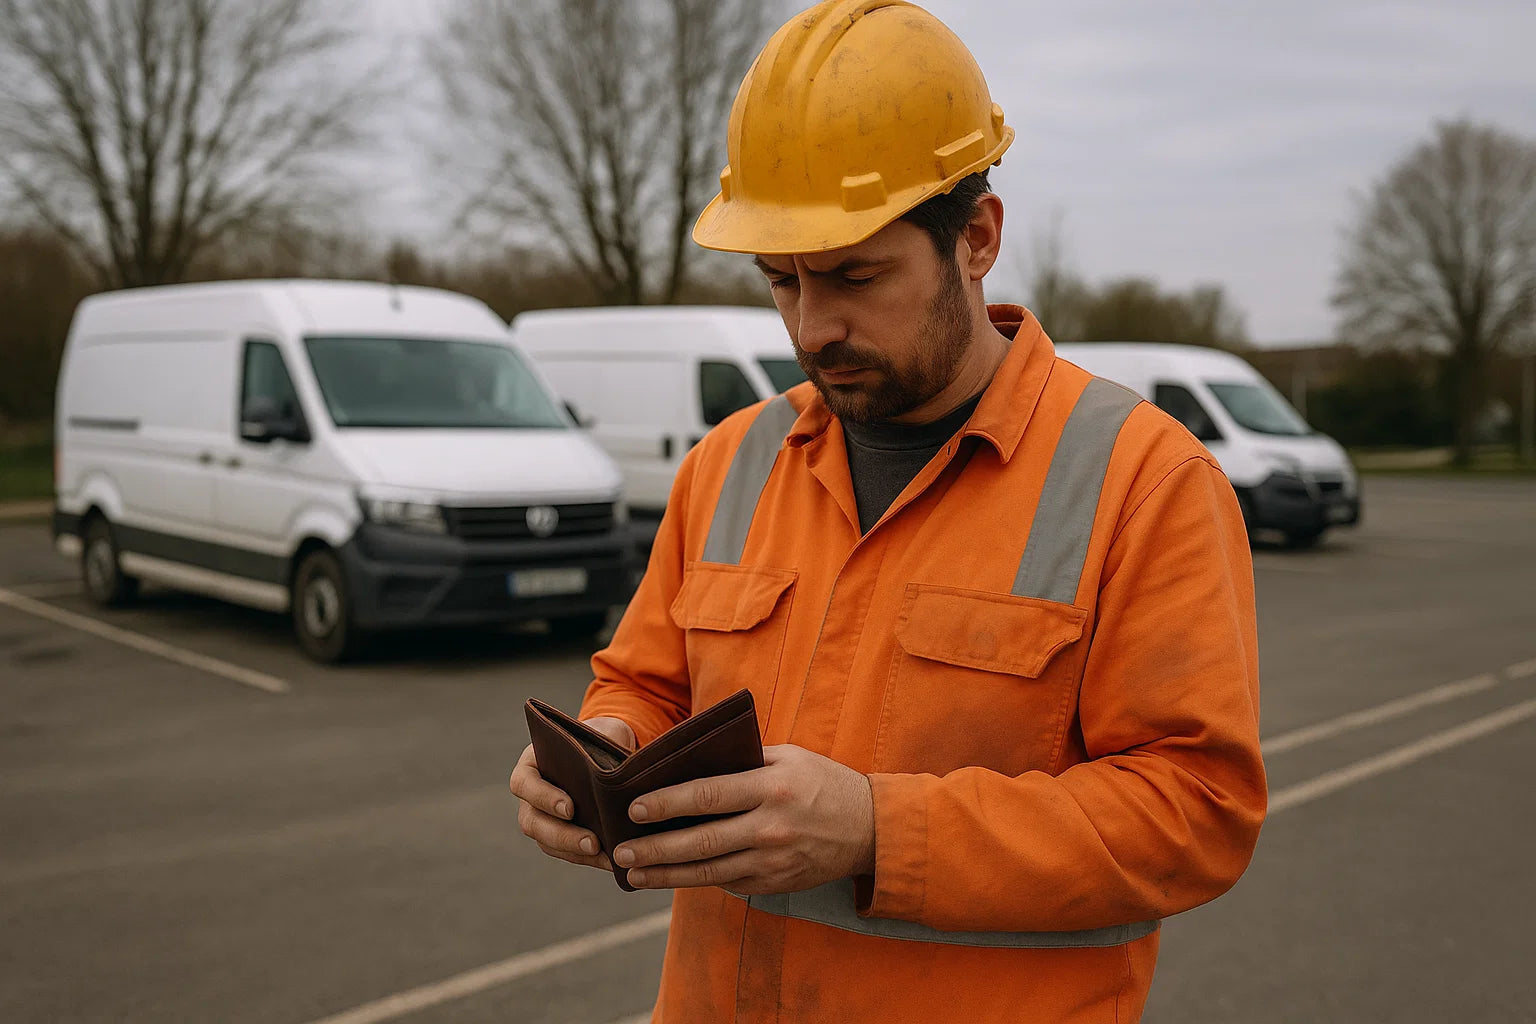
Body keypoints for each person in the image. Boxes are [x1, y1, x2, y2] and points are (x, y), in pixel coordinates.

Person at [510, 1, 1267, 1019]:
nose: (814, 326)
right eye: (780, 281)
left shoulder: (1143, 481)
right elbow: (646, 683)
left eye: (856, 276)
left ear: (978, 238)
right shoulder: (727, 465)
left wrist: (876, 827)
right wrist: (600, 750)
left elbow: (1198, 810)